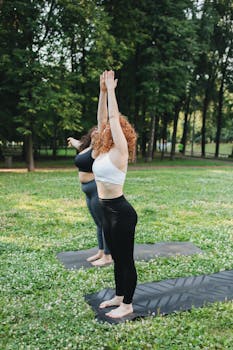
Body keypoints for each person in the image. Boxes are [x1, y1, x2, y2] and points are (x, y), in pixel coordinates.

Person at [92, 70, 138, 318]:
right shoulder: (102, 150)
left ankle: (128, 304)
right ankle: (119, 297)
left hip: (121, 212)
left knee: (125, 260)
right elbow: (102, 119)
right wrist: (101, 92)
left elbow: (111, 116)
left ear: (121, 132)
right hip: (105, 211)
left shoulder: (120, 151)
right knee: (117, 259)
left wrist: (111, 90)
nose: (107, 128)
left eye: (112, 127)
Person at [67, 74, 112, 267]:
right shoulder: (86, 149)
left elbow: (101, 122)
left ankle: (108, 256)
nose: (96, 132)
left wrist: (104, 92)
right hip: (87, 190)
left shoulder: (98, 150)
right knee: (98, 223)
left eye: (98, 132)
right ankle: (101, 251)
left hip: (95, 189)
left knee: (104, 223)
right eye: (93, 131)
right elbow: (80, 147)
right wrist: (74, 141)